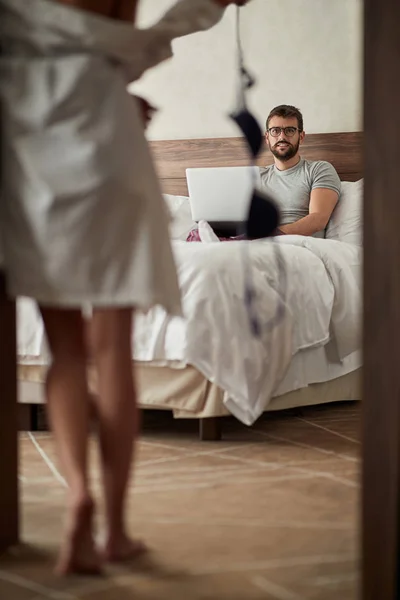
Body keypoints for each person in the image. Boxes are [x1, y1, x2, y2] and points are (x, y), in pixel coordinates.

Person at [0, 0, 250, 576]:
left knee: (66, 351)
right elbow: (127, 49)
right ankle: (113, 529)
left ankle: (76, 500)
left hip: (31, 156)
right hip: (109, 143)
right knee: (114, 347)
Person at [261, 104, 341, 237]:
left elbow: (318, 219)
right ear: (267, 138)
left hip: (299, 246)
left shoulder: (319, 170)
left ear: (301, 136)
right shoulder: (256, 176)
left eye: (290, 130)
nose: (282, 137)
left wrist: (271, 236)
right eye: (275, 131)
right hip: (256, 245)